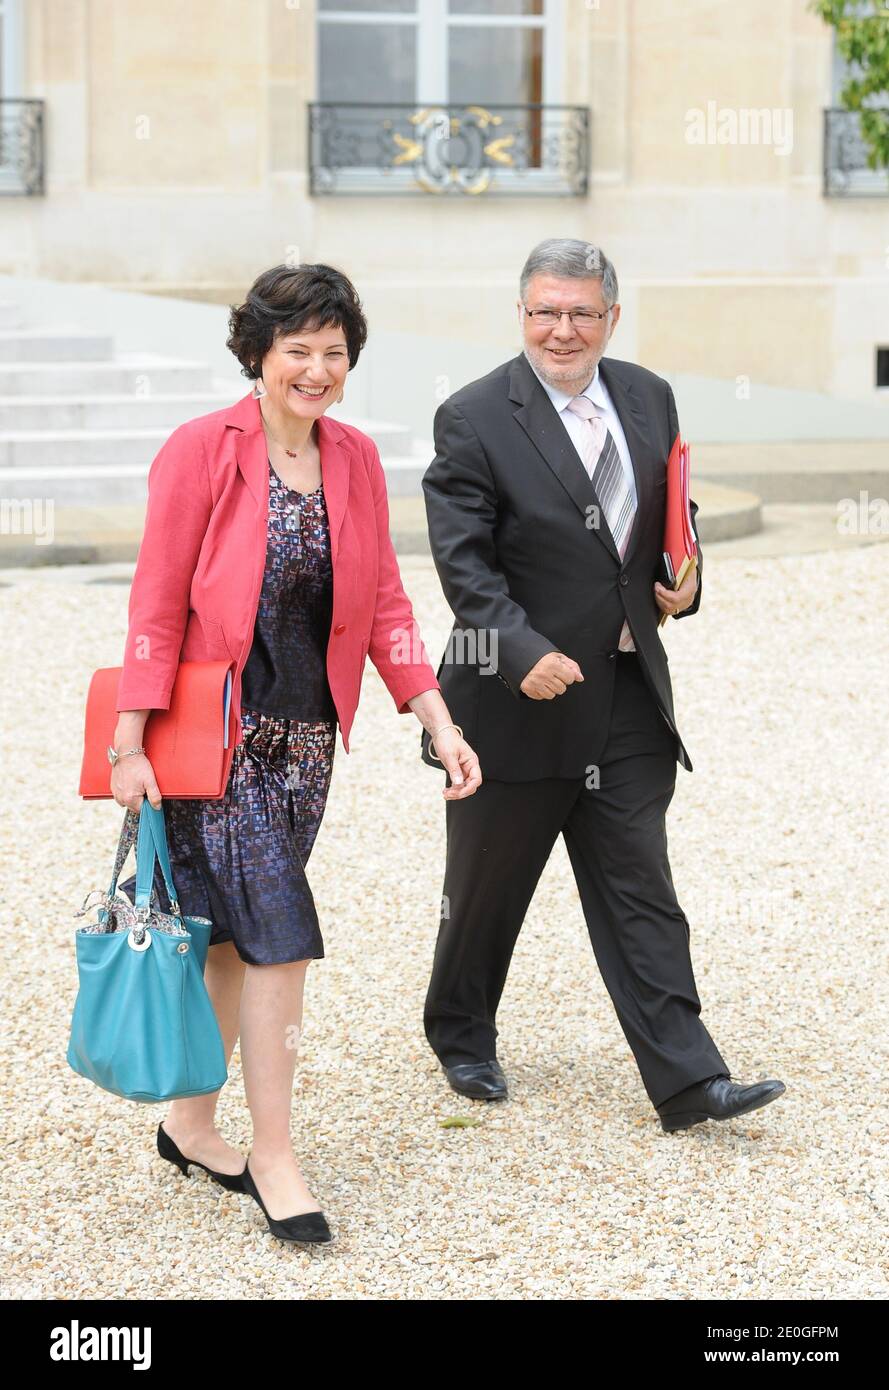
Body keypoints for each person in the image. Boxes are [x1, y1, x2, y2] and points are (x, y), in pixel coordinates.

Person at [111, 262, 481, 1243]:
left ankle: (190, 1125)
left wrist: (435, 717)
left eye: (334, 352)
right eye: (297, 351)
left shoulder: (355, 458)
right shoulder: (201, 451)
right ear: (258, 356)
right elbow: (154, 598)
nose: (316, 369)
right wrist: (126, 739)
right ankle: (274, 1155)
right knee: (281, 935)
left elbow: (387, 601)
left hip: (307, 744)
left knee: (231, 937)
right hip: (216, 742)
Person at [419, 238, 784, 1132]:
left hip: (625, 693)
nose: (562, 329)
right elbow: (463, 565)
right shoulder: (472, 417)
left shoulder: (647, 394)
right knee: (488, 886)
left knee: (639, 885)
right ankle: (460, 1032)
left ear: (610, 318)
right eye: (545, 310)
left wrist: (687, 576)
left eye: (581, 312)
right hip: (513, 702)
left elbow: (670, 511)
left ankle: (690, 1083)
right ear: (521, 314)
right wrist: (516, 652)